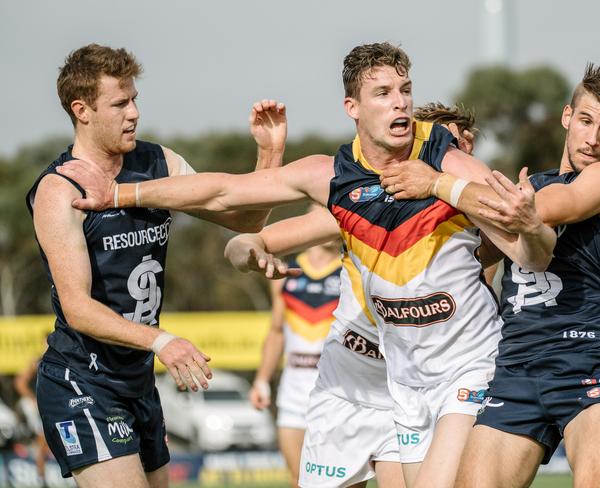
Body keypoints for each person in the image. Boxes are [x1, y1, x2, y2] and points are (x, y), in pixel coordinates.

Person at [57, 42, 556, 488]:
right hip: (395, 377)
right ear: (352, 108)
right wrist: (121, 195)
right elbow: (227, 192)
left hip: (464, 364)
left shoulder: (448, 167)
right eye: (383, 93)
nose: (400, 101)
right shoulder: (335, 178)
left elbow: (532, 252)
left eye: (405, 90)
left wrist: (489, 207)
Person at [26, 44, 283, 488]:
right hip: (82, 381)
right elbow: (77, 308)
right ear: (81, 110)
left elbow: (243, 217)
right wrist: (163, 341)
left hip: (138, 383)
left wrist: (269, 157)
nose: (134, 114)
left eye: (135, 99)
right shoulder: (58, 189)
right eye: (120, 103)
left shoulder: (158, 163)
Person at [380, 63, 600, 488]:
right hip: (515, 368)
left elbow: (545, 208)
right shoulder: (528, 183)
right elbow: (474, 261)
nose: (593, 139)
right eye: (586, 121)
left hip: (585, 364)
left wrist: (436, 181)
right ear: (567, 117)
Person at [226, 102, 482, 488]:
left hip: (413, 386)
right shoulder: (364, 207)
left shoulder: (480, 219)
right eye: (431, 145)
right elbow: (251, 237)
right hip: (350, 376)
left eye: (450, 146)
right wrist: (251, 248)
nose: (437, 156)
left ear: (468, 147)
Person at [249, 239, 342, 488]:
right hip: (294, 390)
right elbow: (277, 330)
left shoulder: (349, 270)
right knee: (298, 478)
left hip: (336, 389)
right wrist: (261, 380)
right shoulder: (285, 272)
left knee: (338, 478)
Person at [14, 349, 51, 488]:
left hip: (53, 406)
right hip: (40, 408)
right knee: (42, 441)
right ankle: (41, 479)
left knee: (46, 442)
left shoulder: (59, 358)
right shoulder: (37, 361)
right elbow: (20, 382)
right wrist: (33, 399)